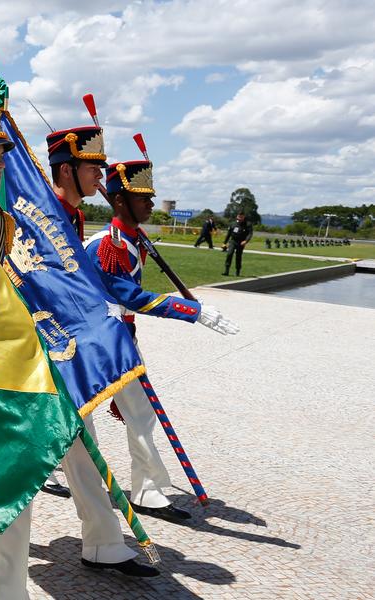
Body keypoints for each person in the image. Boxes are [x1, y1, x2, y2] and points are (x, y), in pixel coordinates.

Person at [85, 149, 240, 523]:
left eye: (152, 197)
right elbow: (130, 297)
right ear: (120, 200)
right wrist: (194, 311)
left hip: (121, 339)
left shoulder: (132, 240)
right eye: (144, 199)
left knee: (140, 412)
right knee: (75, 424)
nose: (152, 204)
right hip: (94, 344)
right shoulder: (106, 245)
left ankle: (146, 490)